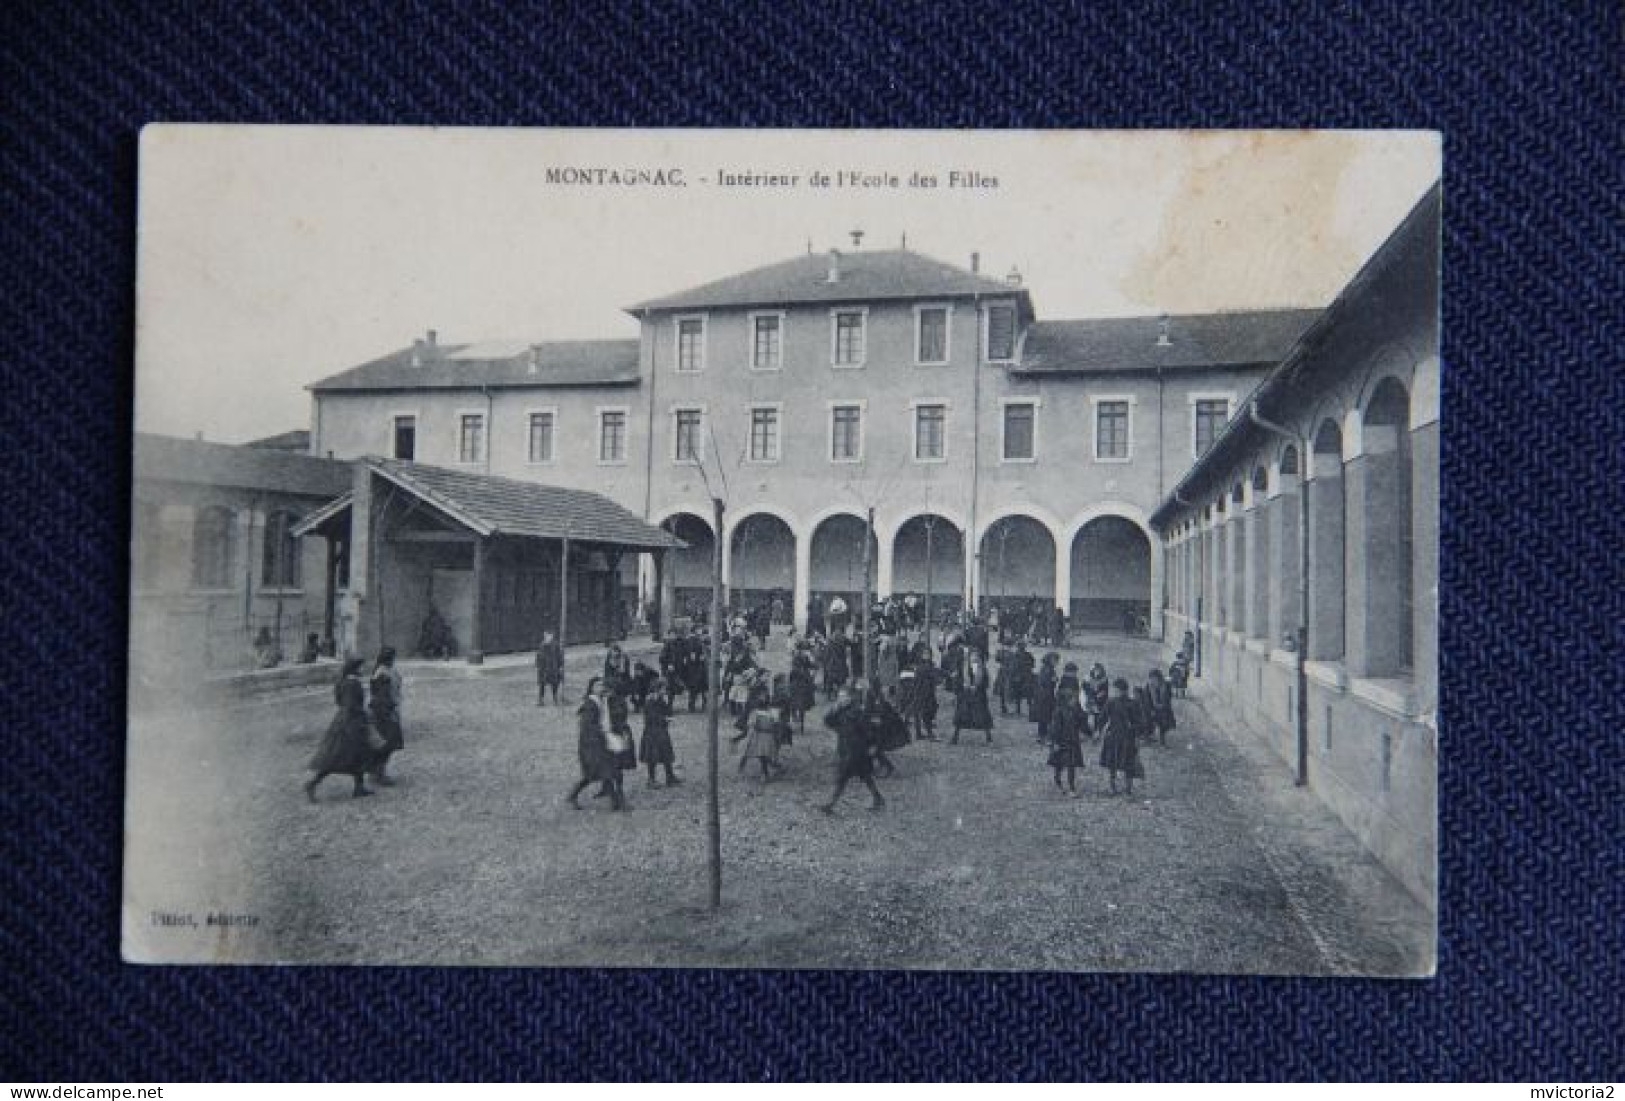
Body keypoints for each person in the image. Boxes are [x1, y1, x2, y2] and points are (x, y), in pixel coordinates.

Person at [305, 658, 378, 801]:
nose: (363, 669)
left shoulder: (342, 682)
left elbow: (340, 702)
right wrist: (365, 713)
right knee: (339, 756)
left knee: (356, 754)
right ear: (355, 668)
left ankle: (359, 787)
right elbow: (352, 705)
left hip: (342, 720)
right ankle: (312, 783)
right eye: (361, 667)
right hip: (352, 722)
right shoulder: (353, 683)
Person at [819, 685, 884, 813]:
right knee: (865, 775)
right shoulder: (841, 711)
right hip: (846, 748)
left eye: (844, 696)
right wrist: (834, 709)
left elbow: (869, 730)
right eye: (839, 697)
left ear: (850, 698)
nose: (841, 699)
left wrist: (873, 745)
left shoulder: (858, 712)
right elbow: (828, 722)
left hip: (856, 749)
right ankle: (878, 798)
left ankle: (830, 804)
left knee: (842, 777)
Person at [568, 677, 625, 811]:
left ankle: (573, 795)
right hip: (592, 743)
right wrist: (601, 735)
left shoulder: (601, 701)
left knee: (595, 774)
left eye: (602, 685)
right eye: (598, 685)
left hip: (600, 741)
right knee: (605, 771)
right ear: (592, 687)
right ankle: (616, 803)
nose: (601, 687)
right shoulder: (590, 704)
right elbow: (587, 726)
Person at [1098, 678, 1146, 796]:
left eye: (1117, 690)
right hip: (1113, 737)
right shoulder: (1111, 702)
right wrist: (1098, 730)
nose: (1115, 692)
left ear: (1124, 691)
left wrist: (1134, 729)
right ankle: (1112, 787)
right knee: (1111, 764)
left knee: (1128, 765)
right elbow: (1102, 717)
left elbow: (1141, 722)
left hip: (1127, 739)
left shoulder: (1133, 704)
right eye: (1114, 690)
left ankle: (1128, 789)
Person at [736, 680, 787, 781]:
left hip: (761, 735)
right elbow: (775, 724)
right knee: (760, 754)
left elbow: (752, 724)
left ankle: (765, 771)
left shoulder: (760, 713)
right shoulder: (769, 713)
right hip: (762, 736)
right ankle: (764, 772)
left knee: (759, 754)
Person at [367, 646, 404, 786]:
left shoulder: (390, 670)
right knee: (386, 742)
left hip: (391, 709)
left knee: (389, 743)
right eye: (392, 657)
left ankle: (378, 771)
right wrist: (390, 710)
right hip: (383, 712)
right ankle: (378, 773)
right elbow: (381, 696)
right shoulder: (381, 673)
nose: (393, 660)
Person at [1048, 672, 1087, 794]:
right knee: (1059, 764)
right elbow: (1055, 729)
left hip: (1073, 741)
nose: (1075, 701)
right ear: (1067, 700)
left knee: (1071, 765)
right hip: (1061, 742)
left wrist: (1088, 733)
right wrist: (1055, 743)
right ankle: (1058, 781)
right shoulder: (1059, 712)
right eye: (1073, 699)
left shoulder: (1076, 710)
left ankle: (1071, 786)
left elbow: (1082, 723)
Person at [639, 681, 680, 787]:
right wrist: (665, 718)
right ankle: (651, 780)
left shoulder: (661, 700)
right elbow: (651, 718)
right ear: (657, 689)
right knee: (652, 757)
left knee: (667, 754)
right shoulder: (649, 701)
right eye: (663, 689)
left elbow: (668, 711)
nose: (665, 691)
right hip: (651, 733)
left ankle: (670, 777)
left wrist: (668, 715)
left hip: (661, 731)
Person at [951, 652, 993, 744]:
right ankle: (955, 737)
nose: (974, 658)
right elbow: (958, 680)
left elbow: (986, 683)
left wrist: (978, 686)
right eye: (972, 656)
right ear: (969, 658)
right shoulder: (964, 668)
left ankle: (988, 737)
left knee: (983, 716)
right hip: (966, 695)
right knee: (961, 716)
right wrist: (963, 685)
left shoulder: (983, 669)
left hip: (979, 695)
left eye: (976, 657)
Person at [1030, 651, 1058, 743]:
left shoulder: (1047, 668)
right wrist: (1053, 680)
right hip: (1045, 696)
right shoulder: (1047, 669)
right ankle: (1043, 736)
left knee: (1045, 716)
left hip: (1044, 695)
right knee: (1045, 716)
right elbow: (1045, 682)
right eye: (1054, 660)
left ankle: (1043, 735)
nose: (1056, 662)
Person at [1145, 667, 1177, 747]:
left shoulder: (1166, 685)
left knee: (1164, 725)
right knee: (1149, 723)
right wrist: (1151, 709)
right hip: (1152, 708)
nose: (1153, 680)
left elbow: (1168, 697)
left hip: (1164, 709)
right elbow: (1147, 699)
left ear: (1159, 677)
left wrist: (1164, 706)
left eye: (1154, 678)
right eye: (1151, 678)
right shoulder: (1148, 686)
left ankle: (1162, 741)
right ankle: (1148, 737)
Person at [536, 630, 564, 706]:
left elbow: (559, 656)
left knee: (554, 683)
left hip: (553, 668)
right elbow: (538, 655)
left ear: (552, 636)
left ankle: (555, 699)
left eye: (548, 635)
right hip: (543, 668)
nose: (547, 637)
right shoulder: (542, 645)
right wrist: (538, 665)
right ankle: (540, 700)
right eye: (545, 635)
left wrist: (560, 666)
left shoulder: (556, 645)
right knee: (542, 684)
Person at [1010, 641, 1036, 718]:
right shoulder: (1028, 655)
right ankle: (1031, 711)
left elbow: (1013, 667)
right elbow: (1032, 665)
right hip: (1028, 676)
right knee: (1029, 694)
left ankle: (1018, 710)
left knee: (1018, 694)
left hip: (1018, 677)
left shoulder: (1015, 655)